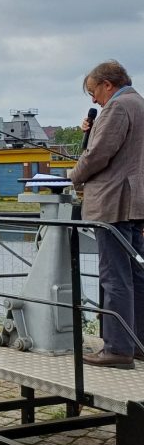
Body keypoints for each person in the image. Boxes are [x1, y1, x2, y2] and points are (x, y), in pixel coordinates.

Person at [70, 60, 144, 369]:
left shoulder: (116, 108)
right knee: (136, 275)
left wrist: (74, 175)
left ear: (107, 85)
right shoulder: (139, 103)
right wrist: (94, 127)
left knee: (114, 276)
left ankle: (117, 348)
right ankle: (137, 342)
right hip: (135, 202)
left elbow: (100, 154)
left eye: (93, 91)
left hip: (114, 203)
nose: (93, 99)